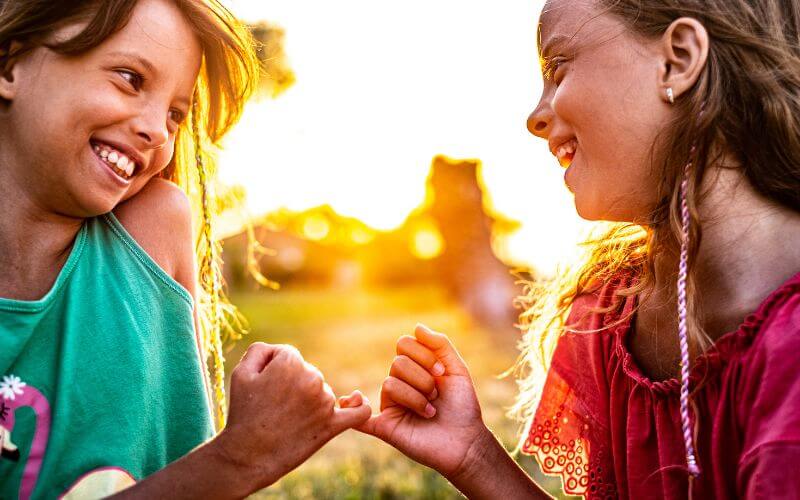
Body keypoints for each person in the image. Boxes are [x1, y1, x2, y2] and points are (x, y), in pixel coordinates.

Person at [352, 0, 800, 498]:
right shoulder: (608, 315)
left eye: (557, 69)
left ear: (677, 60)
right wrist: (473, 454)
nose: (534, 116)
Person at [0, 0, 370, 498]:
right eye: (130, 78)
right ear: (9, 63)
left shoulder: (151, 235)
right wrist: (239, 459)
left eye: (176, 114)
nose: (157, 130)